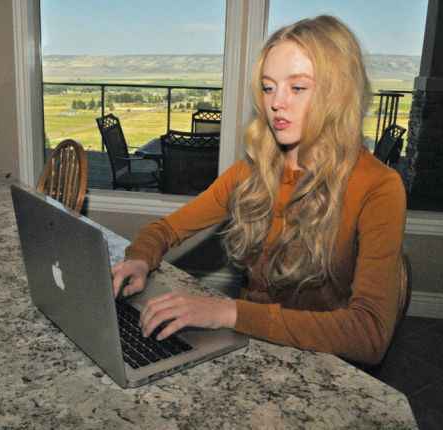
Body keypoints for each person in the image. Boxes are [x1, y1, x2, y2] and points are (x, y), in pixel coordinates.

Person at [111, 15, 407, 366]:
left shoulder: (379, 187)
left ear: (338, 93)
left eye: (297, 88)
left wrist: (228, 313)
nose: (276, 103)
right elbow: (168, 229)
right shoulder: (255, 170)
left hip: (321, 364)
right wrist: (140, 258)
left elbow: (368, 333)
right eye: (268, 87)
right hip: (252, 348)